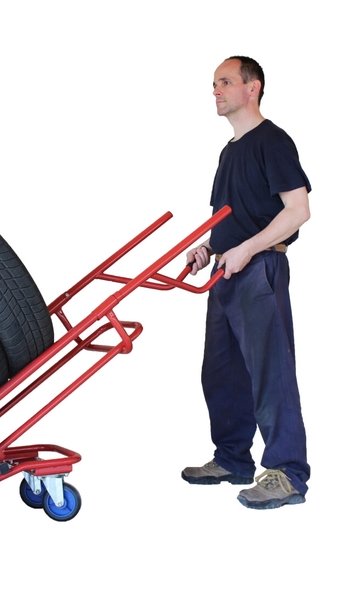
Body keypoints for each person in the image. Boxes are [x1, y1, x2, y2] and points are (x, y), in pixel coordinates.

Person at [182, 56, 311, 509]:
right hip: (226, 271)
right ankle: (232, 459)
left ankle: (287, 473)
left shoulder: (272, 141)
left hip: (259, 270)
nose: (215, 90)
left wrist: (248, 250)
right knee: (221, 373)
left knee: (270, 373)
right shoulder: (230, 151)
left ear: (252, 88)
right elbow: (229, 218)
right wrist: (208, 246)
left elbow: (298, 211)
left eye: (225, 81)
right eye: (214, 83)